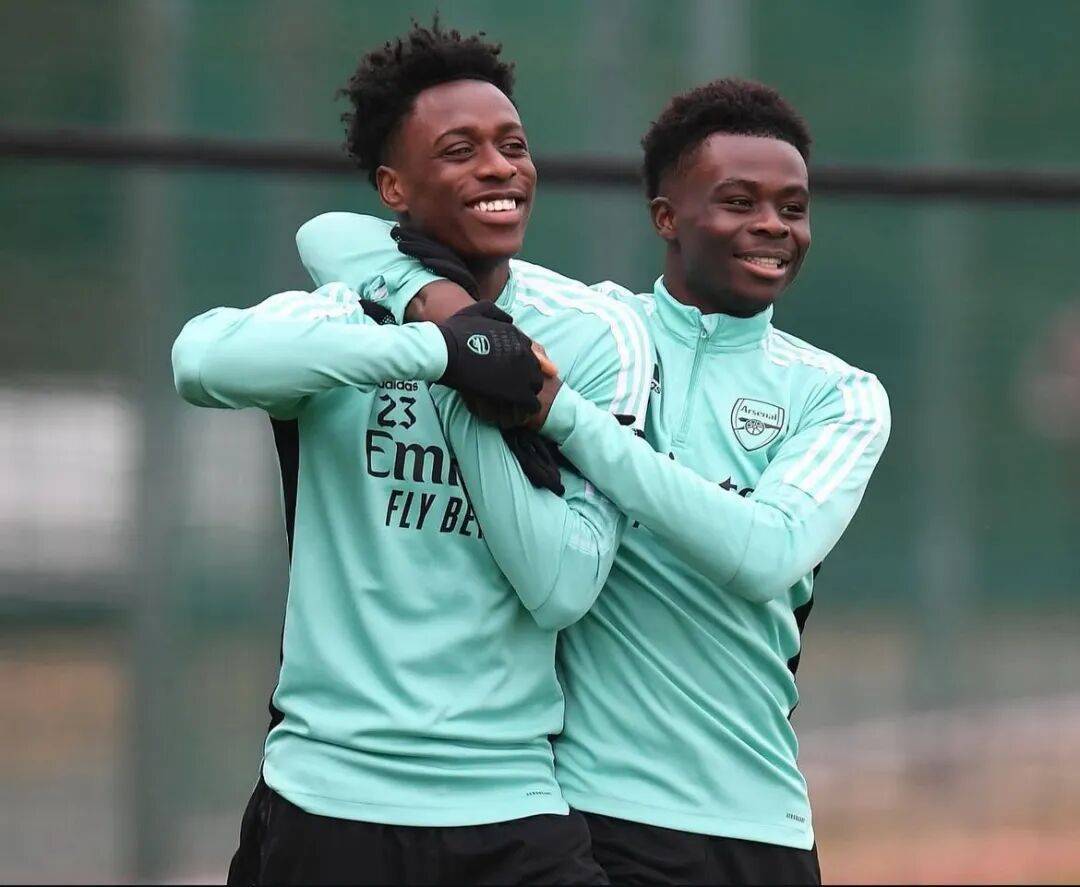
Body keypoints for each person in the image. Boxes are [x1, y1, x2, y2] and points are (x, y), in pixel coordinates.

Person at [369, 78, 890, 885]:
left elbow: (768, 552)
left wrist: (566, 417)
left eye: (792, 207)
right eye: (739, 201)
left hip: (758, 822)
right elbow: (343, 240)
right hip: (588, 814)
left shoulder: (839, 394)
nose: (772, 226)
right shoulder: (586, 329)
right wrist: (436, 300)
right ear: (666, 217)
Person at [171, 21, 651, 886]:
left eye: (513, 145)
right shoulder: (344, 315)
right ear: (393, 186)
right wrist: (443, 349)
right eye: (460, 150)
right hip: (325, 800)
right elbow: (199, 360)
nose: (500, 168)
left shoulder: (593, 332)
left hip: (511, 806)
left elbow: (560, 586)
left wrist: (481, 378)